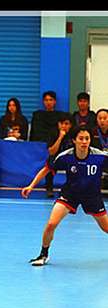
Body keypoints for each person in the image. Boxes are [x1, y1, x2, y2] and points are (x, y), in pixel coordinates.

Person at [21, 125, 108, 266]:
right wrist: (31, 185)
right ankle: (43, 255)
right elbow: (46, 169)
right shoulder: (65, 156)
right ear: (74, 140)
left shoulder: (100, 156)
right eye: (81, 138)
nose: (84, 142)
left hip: (92, 196)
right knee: (51, 224)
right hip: (70, 194)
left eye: (87, 138)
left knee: (106, 228)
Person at [30, 91, 64, 197]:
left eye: (50, 100)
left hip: (55, 144)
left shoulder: (60, 116)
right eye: (46, 100)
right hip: (41, 144)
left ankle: (51, 187)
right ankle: (45, 186)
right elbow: (34, 132)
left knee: (52, 158)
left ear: (55, 102)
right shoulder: (37, 115)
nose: (48, 102)